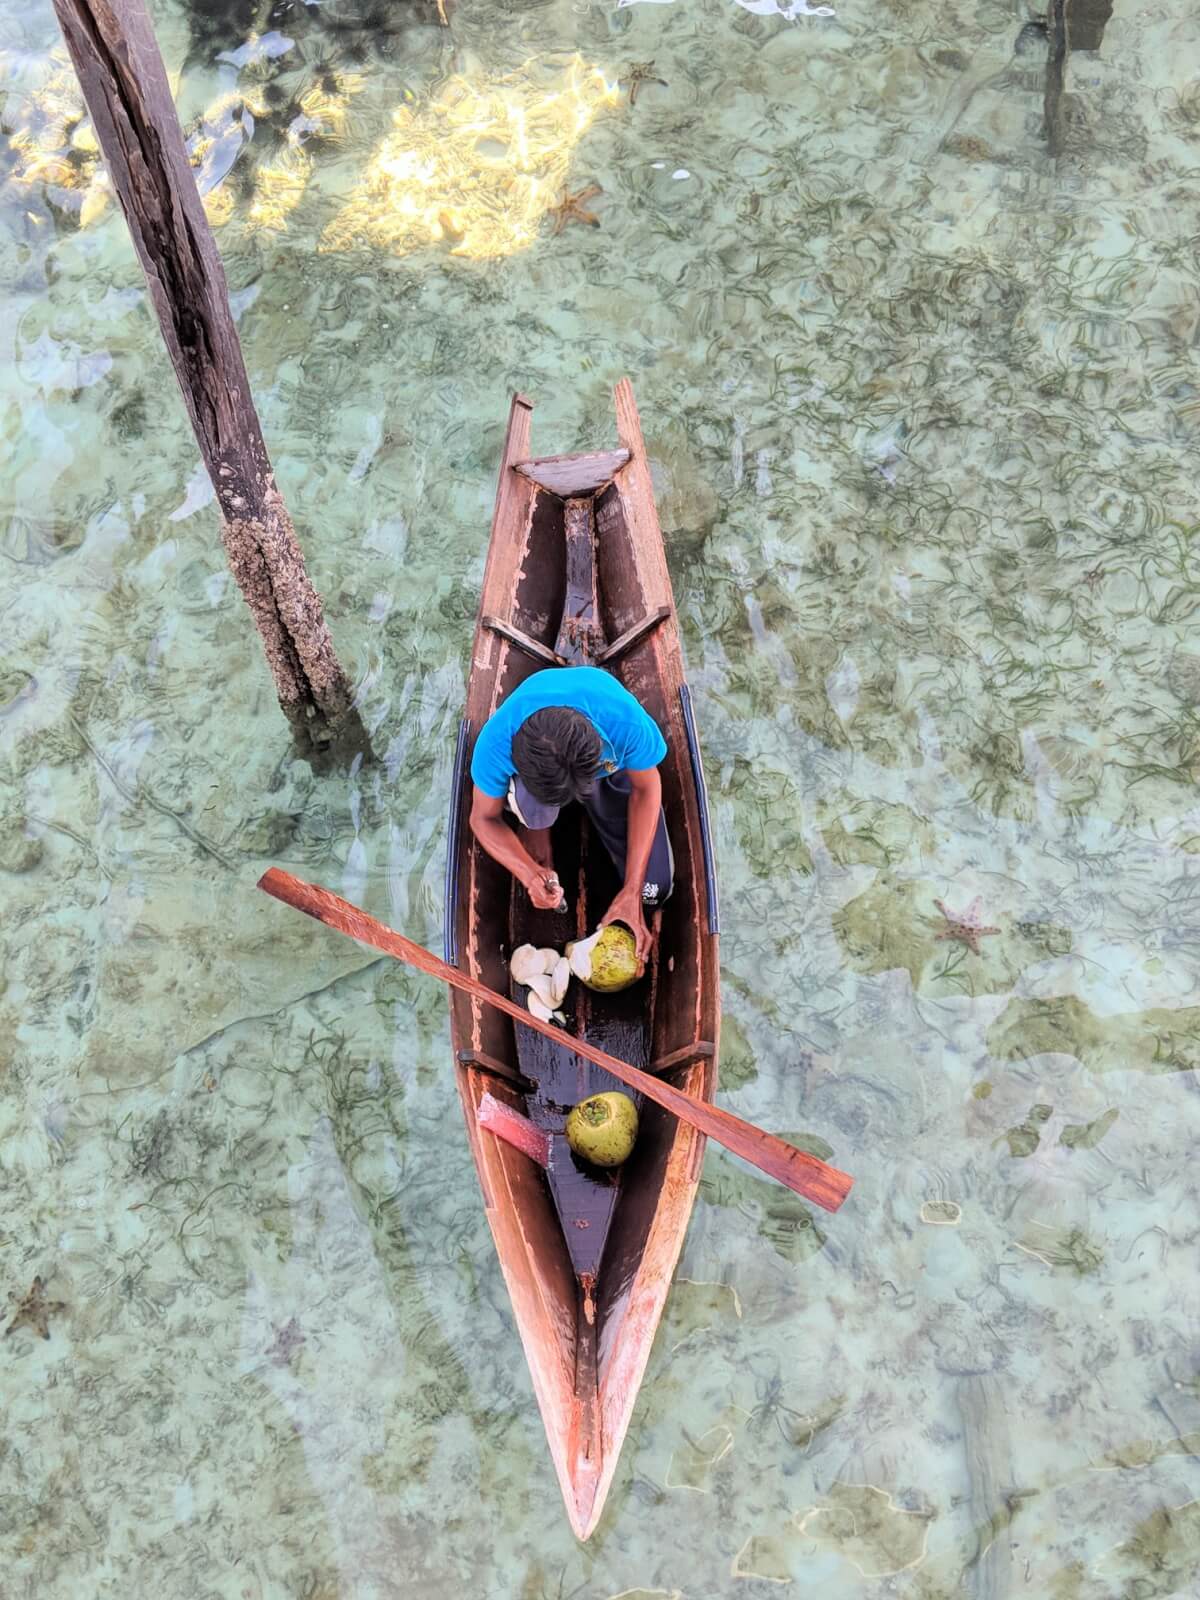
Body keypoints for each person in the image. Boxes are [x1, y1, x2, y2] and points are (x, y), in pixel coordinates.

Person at [468, 666, 674, 962]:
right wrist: (528, 873)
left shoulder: (623, 721)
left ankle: (580, 801)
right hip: (537, 782)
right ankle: (536, 826)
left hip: (604, 770)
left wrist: (632, 888)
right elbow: (483, 818)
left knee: (653, 891)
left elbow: (646, 788)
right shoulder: (496, 743)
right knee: (534, 810)